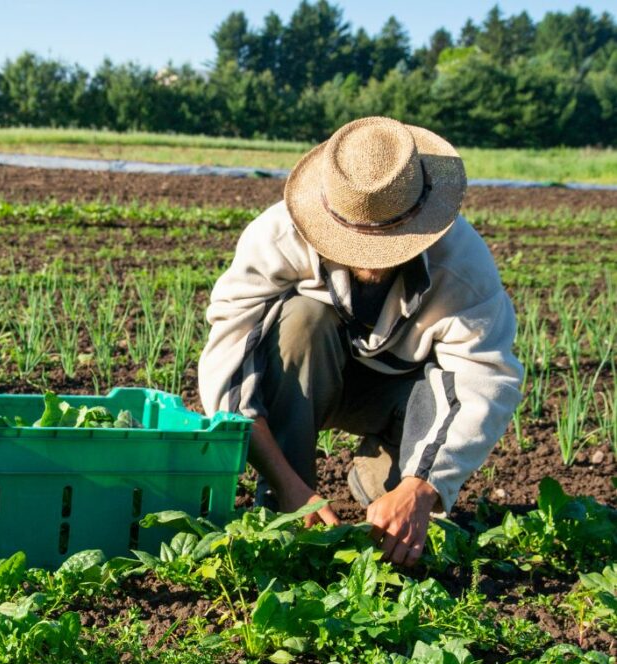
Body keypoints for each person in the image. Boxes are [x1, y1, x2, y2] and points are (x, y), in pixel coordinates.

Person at [198, 116, 523, 566]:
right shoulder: (277, 236)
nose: (370, 260)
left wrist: (421, 488)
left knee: (400, 524)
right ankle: (283, 505)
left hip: (399, 396)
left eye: (389, 242)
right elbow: (229, 368)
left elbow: (483, 379)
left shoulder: (462, 266)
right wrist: (292, 489)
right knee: (300, 321)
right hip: (312, 378)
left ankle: (384, 474)